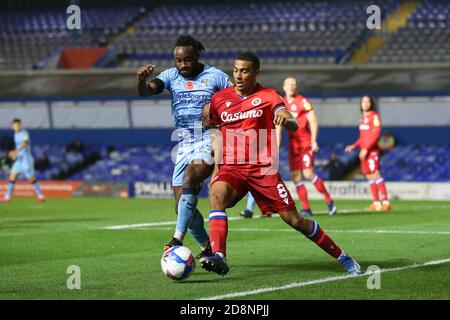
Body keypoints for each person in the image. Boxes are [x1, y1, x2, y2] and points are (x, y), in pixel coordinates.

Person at [200, 52, 362, 276]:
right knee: (216, 196)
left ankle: (342, 256)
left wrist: (288, 120)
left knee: (295, 220)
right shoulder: (220, 99)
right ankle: (219, 256)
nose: (238, 75)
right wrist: (216, 168)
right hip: (232, 167)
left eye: (245, 70)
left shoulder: (269, 95)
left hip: (262, 170)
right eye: (236, 70)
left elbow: (291, 120)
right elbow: (216, 133)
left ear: (257, 72)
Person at [136, 35, 231, 258]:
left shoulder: (216, 76)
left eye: (187, 60)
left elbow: (235, 100)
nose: (182, 65)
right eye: (178, 60)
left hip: (209, 137)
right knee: (181, 207)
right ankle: (207, 248)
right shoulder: (170, 75)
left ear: (197, 56)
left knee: (190, 179)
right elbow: (147, 90)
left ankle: (176, 239)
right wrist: (141, 80)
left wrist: (214, 105)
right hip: (184, 142)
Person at [282, 77, 336, 217]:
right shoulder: (282, 103)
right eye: (289, 84)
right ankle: (306, 209)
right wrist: (276, 144)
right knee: (295, 177)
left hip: (305, 143)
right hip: (293, 146)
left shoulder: (303, 101)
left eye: (294, 84)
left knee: (308, 174)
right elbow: (277, 126)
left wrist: (314, 141)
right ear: (284, 87)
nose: (291, 86)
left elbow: (313, 121)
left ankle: (329, 201)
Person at [345, 95, 390, 211]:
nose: (365, 104)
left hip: (372, 151)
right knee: (369, 176)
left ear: (371, 104)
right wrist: (354, 146)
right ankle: (376, 203)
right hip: (364, 151)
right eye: (363, 102)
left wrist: (367, 149)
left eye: (367, 102)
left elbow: (375, 135)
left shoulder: (374, 117)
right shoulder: (362, 118)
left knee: (376, 174)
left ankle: (385, 202)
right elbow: (363, 137)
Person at [1, 119, 45, 203]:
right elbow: (19, 147)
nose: (17, 127)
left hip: (26, 160)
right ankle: (7, 196)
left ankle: (40, 195)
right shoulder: (15, 134)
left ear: (21, 125)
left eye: (18, 125)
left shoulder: (24, 133)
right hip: (19, 160)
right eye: (15, 125)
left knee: (31, 178)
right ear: (12, 126)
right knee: (12, 175)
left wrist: (16, 151)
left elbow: (25, 143)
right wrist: (15, 154)